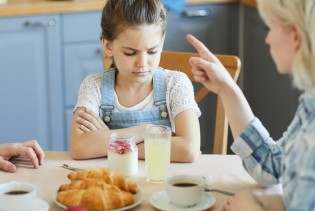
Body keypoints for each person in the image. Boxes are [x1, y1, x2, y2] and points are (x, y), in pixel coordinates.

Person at [186, 0, 315, 209]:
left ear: (295, 36)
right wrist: (226, 88)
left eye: (269, 27)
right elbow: (271, 166)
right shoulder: (309, 107)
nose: (267, 38)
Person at [70, 0, 201, 162]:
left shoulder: (176, 83)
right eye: (130, 53)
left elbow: (188, 150)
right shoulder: (93, 86)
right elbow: (79, 147)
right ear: (108, 46)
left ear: (162, 43)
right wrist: (147, 131)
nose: (142, 63)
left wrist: (112, 143)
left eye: (152, 51)